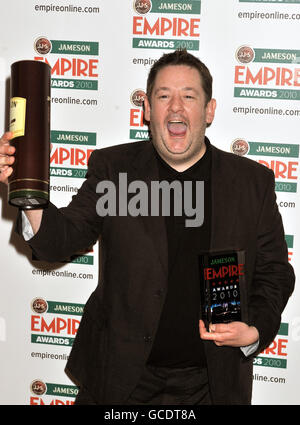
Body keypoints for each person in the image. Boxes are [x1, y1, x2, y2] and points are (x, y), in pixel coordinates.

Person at [0, 50, 294, 405]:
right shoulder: (114, 169)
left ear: (209, 110)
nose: (176, 107)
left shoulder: (251, 182)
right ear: (146, 110)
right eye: (163, 95)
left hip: (212, 384)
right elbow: (63, 240)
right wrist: (28, 191)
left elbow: (275, 273)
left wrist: (255, 331)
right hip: (120, 380)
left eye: (189, 96)